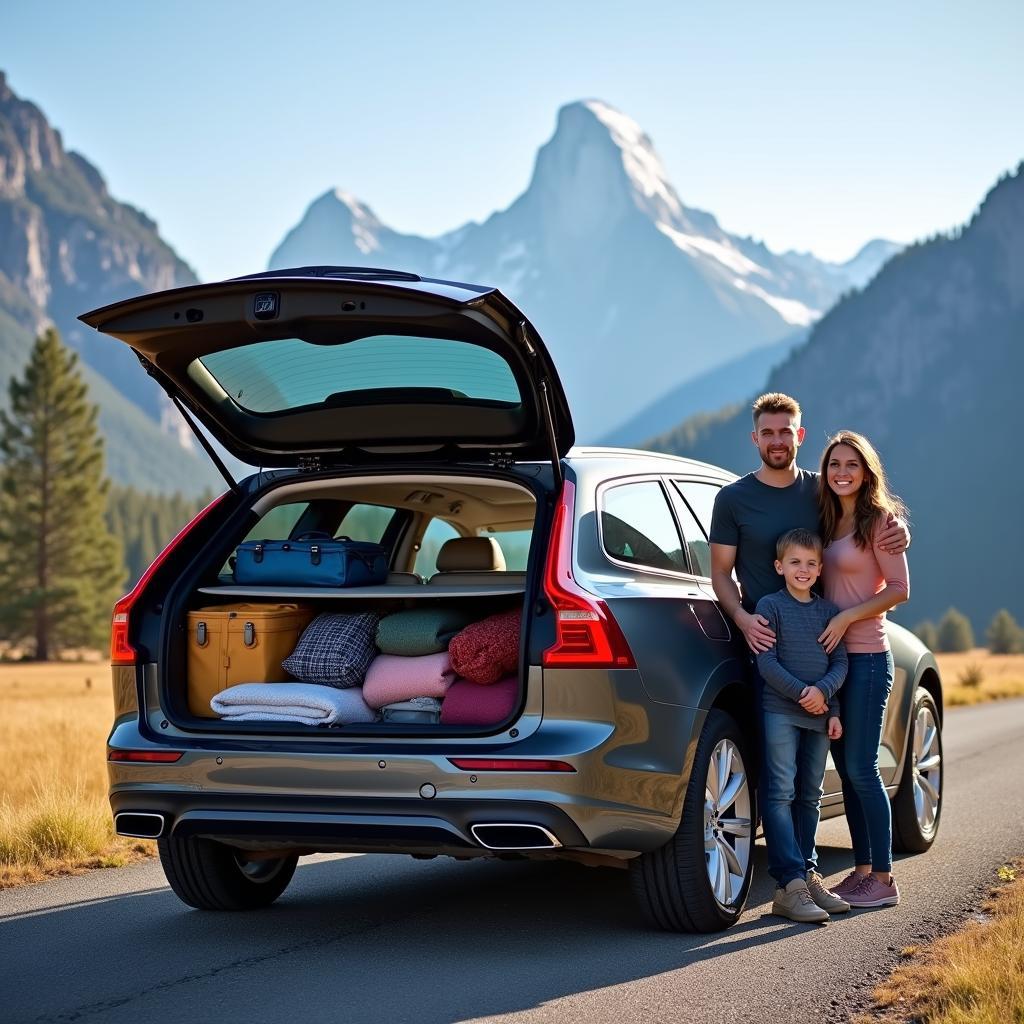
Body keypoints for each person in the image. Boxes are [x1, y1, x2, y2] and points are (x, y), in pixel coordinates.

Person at [816, 430, 909, 909]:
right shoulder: (826, 517)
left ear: (866, 470)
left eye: (851, 464)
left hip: (868, 657)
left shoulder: (881, 522)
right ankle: (863, 870)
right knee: (848, 771)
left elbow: (899, 589)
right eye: (835, 464)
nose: (842, 472)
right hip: (831, 662)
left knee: (860, 766)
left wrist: (847, 616)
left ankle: (886, 878)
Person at [755, 528, 850, 923]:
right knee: (779, 792)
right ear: (780, 566)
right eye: (795, 562)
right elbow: (766, 662)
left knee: (810, 794)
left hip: (820, 713)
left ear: (820, 568)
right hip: (780, 709)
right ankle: (789, 883)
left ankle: (809, 876)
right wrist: (803, 694)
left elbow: (840, 663)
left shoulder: (828, 612)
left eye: (811, 563)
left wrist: (829, 704)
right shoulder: (770, 606)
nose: (803, 569)